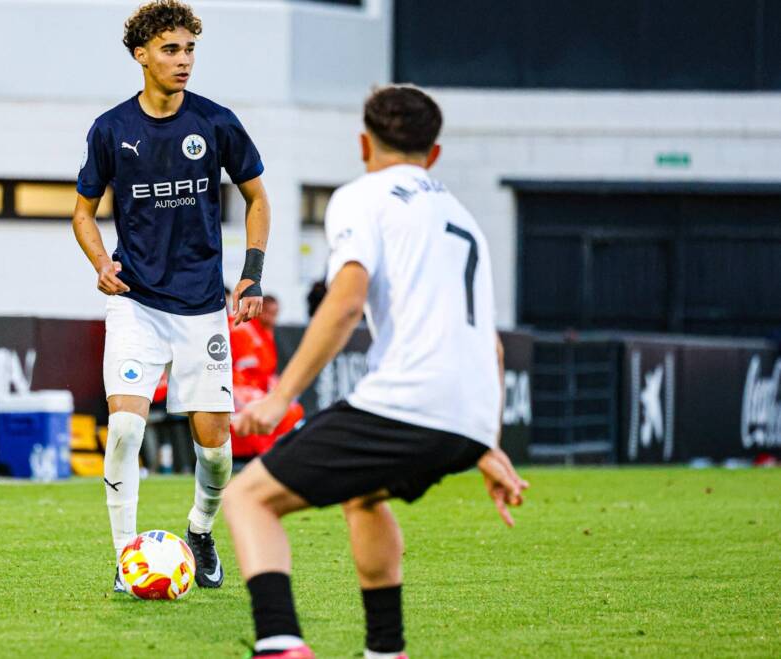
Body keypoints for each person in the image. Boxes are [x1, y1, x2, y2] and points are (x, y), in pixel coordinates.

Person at [225, 86, 529, 658]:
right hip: (466, 413)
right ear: (433, 154)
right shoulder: (461, 217)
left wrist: (277, 397)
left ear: (363, 143)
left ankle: (279, 645)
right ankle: (387, 651)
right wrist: (484, 443)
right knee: (363, 496)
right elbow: (488, 345)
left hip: (408, 402)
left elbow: (344, 302)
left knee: (248, 499)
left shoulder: (363, 196)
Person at [72, 0, 271, 592]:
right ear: (141, 56)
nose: (183, 61)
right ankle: (124, 559)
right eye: (170, 50)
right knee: (127, 429)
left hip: (202, 307)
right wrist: (101, 263)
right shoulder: (111, 130)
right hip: (135, 302)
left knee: (214, 451)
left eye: (189, 50)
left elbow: (258, 199)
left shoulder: (216, 123)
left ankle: (200, 530)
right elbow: (82, 213)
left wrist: (251, 274)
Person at [230, 295, 303, 460]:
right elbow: (243, 371)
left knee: (292, 408)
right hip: (238, 388)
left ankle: (278, 454)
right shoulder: (243, 329)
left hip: (256, 388)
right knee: (263, 407)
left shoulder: (266, 333)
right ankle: (265, 456)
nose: (272, 319)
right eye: (269, 313)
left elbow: (268, 373)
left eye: (275, 314)